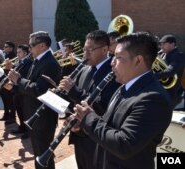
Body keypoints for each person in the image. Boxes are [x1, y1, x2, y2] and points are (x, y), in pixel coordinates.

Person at [74, 32, 173, 169]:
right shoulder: (125, 87)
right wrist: (83, 125)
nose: (112, 63)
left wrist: (88, 118)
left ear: (138, 60)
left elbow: (124, 144)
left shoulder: (153, 99)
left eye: (118, 57)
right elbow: (109, 125)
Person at [58, 30, 120, 169]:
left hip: (97, 138)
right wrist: (68, 114)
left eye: (90, 50)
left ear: (105, 49)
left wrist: (73, 90)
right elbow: (75, 101)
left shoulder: (114, 72)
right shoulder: (84, 69)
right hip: (79, 135)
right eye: (84, 49)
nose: (85, 53)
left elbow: (104, 105)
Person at [6, 31, 61, 169]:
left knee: (44, 155)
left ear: (42, 45)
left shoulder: (49, 63)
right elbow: (30, 85)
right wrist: (13, 87)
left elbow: (40, 89)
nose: (29, 49)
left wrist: (19, 80)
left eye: (31, 45)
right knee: (39, 153)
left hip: (43, 118)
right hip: (34, 114)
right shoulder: (37, 60)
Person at [155, 34, 185, 108]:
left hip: (171, 93)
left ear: (172, 44)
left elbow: (170, 72)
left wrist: (151, 75)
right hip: (160, 90)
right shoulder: (162, 54)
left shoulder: (179, 56)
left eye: (164, 44)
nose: (161, 46)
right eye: (160, 44)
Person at [10, 44, 32, 138]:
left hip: (23, 90)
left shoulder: (29, 63)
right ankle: (22, 127)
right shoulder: (18, 62)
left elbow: (27, 76)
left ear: (25, 53)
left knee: (25, 111)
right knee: (19, 109)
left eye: (19, 52)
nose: (17, 54)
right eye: (17, 52)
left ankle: (28, 131)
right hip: (16, 90)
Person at [0, 41, 17, 124]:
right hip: (3, 79)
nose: (4, 48)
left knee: (10, 100)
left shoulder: (13, 56)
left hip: (9, 80)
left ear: (11, 48)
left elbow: (13, 68)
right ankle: (6, 114)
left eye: (6, 47)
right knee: (4, 99)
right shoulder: (5, 55)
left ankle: (12, 117)